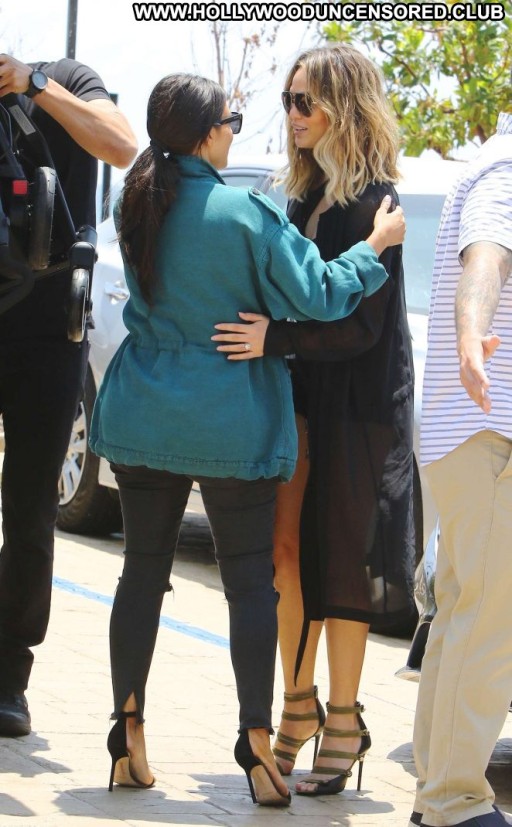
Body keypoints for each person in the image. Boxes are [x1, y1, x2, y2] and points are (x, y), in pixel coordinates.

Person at [88, 72, 405, 805]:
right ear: (208, 134)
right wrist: (375, 245)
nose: (238, 130)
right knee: (249, 585)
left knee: (140, 573)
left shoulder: (136, 200)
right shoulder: (244, 211)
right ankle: (258, 746)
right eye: (231, 120)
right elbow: (320, 294)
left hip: (142, 411)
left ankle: (127, 735)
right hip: (229, 420)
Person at [212, 43, 416, 796]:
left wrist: (277, 338)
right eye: (290, 101)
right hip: (300, 395)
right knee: (285, 552)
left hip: (360, 403)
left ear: (344, 108)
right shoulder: (304, 197)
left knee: (342, 559)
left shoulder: (376, 204)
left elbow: (362, 327)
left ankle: (345, 718)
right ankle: (296, 704)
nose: (293, 115)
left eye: (307, 102)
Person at [0, 54, 137, 738]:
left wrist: (34, 85)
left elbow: (122, 144)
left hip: (49, 330)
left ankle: (8, 675)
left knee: (30, 504)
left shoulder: (63, 78)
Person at [409, 108, 512, 827]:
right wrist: (472, 333)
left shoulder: (489, 163)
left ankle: (436, 795)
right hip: (488, 433)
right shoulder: (506, 175)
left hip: (469, 433)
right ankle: (453, 798)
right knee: (485, 622)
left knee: (461, 616)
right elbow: (486, 258)